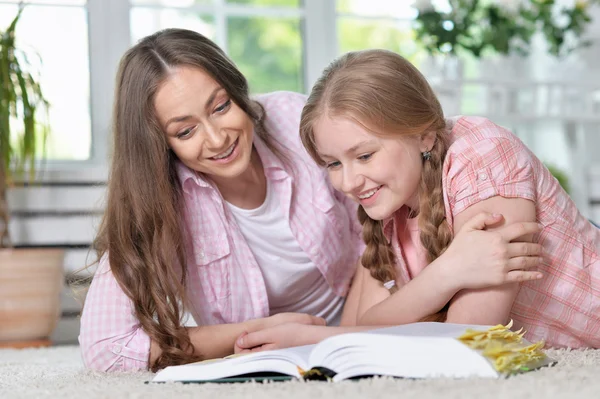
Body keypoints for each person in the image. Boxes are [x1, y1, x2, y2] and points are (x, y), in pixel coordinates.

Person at [79, 30, 543, 372]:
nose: (218, 137)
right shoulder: (156, 198)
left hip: (374, 299)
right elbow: (105, 346)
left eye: (221, 106)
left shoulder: (292, 122)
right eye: (185, 130)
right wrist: (257, 334)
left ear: (238, 92)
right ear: (159, 144)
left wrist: (335, 332)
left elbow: (381, 205)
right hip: (287, 342)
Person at [235, 49, 600, 354]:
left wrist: (313, 339)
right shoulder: (389, 201)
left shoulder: (483, 155)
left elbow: (471, 342)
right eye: (333, 163)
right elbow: (370, 320)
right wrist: (448, 272)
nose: (347, 182)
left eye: (364, 156)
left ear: (424, 136)